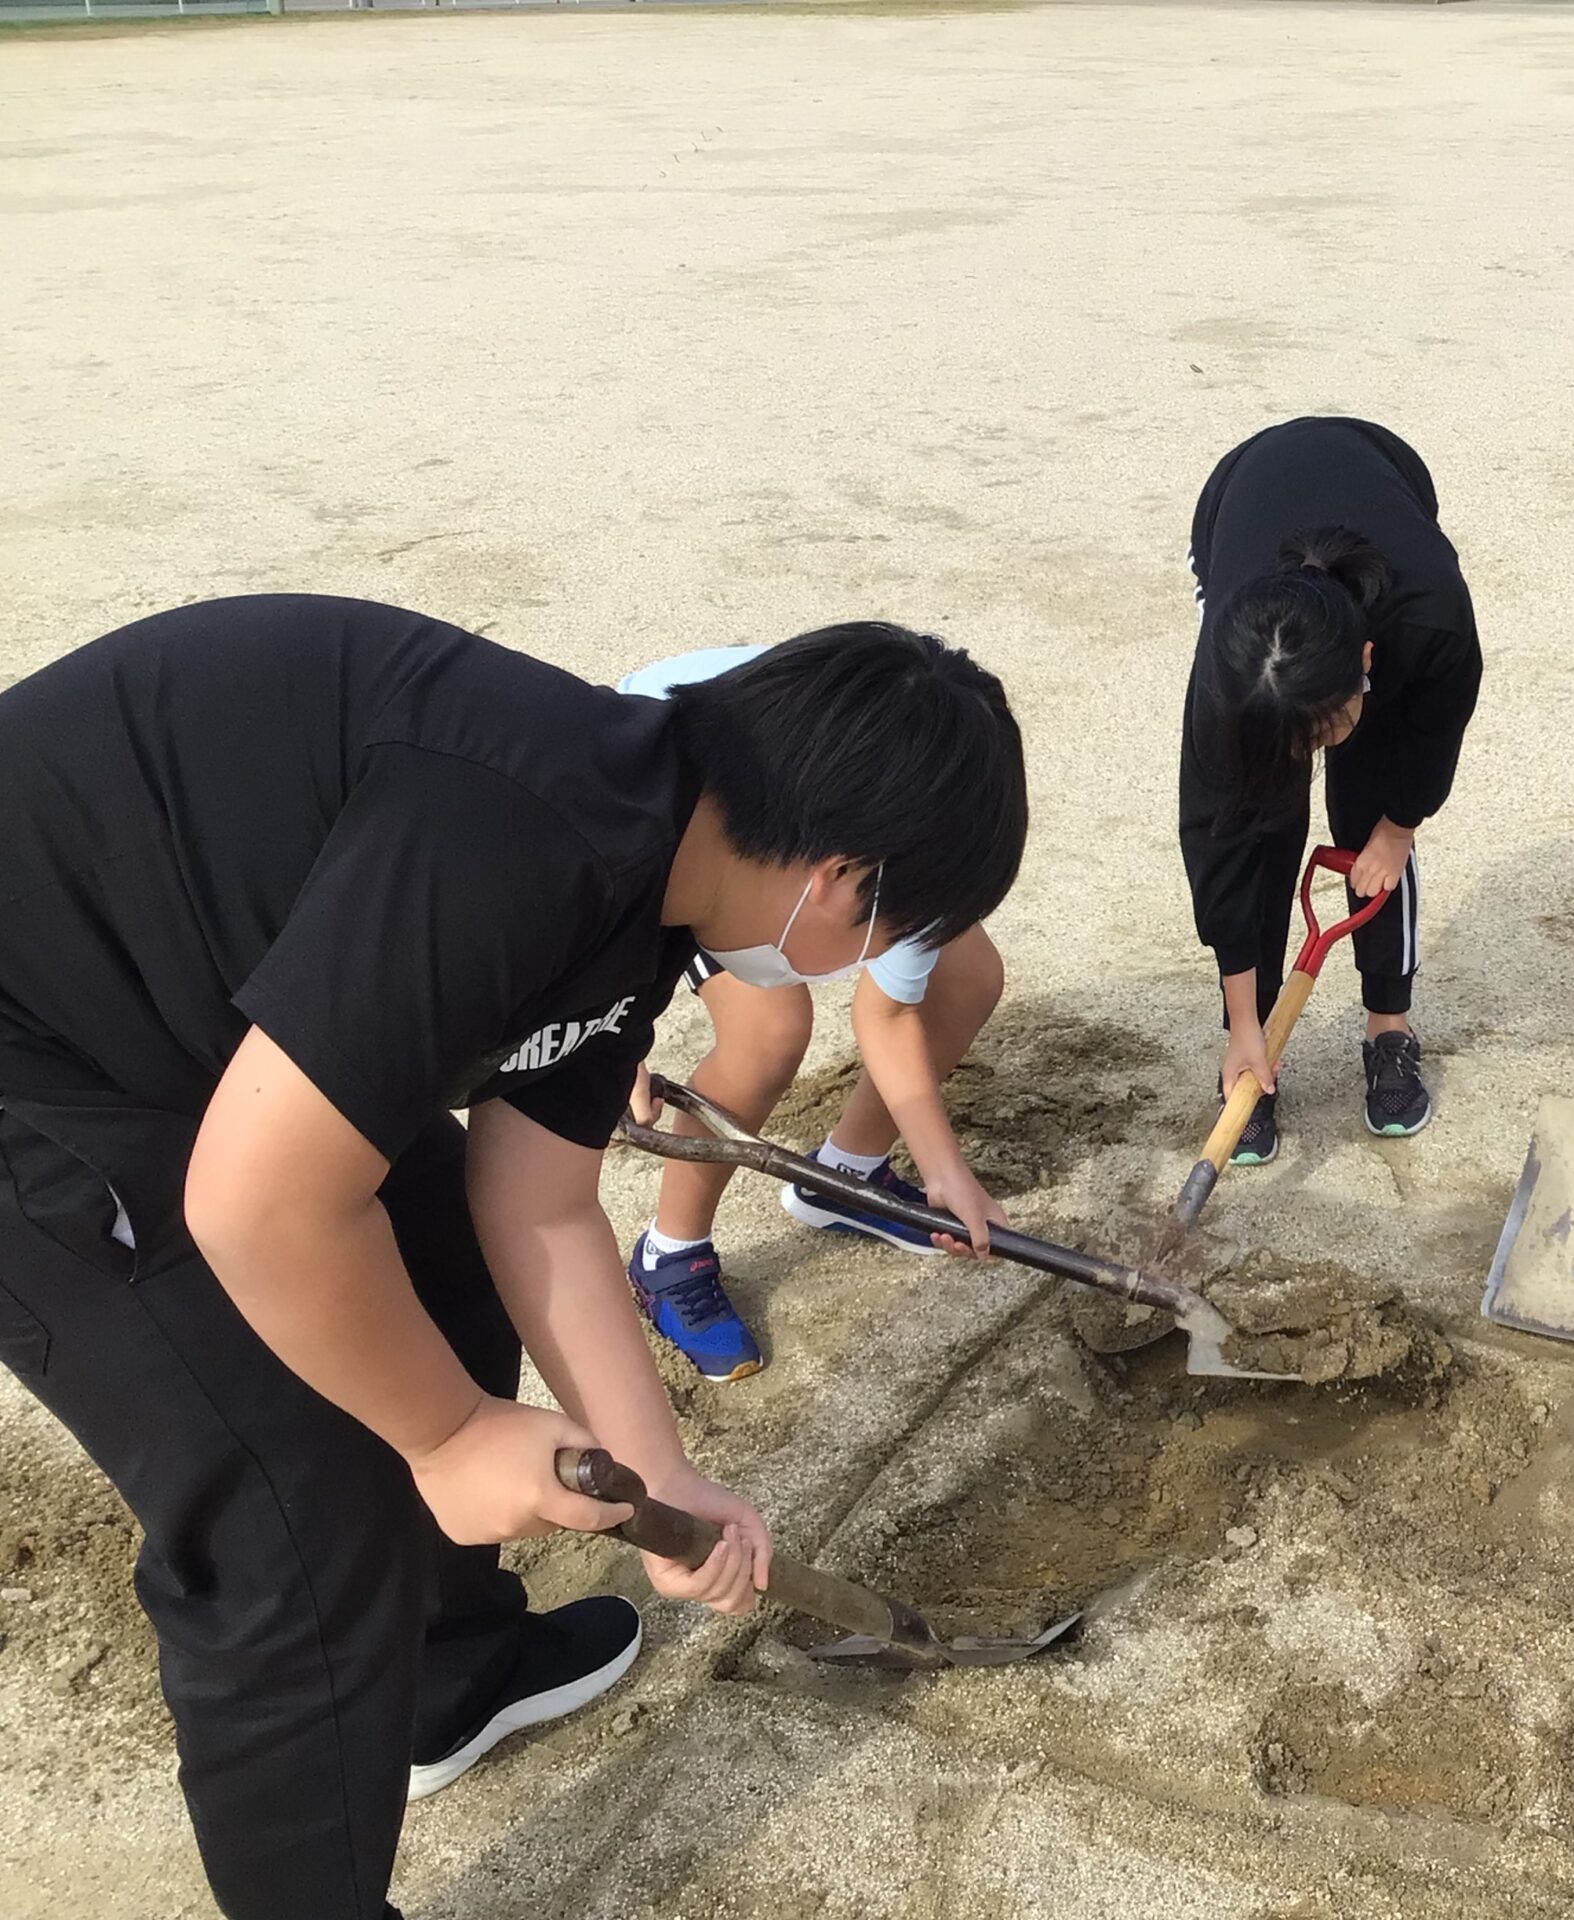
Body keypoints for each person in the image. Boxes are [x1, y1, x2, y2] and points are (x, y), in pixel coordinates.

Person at [0, 598, 1027, 1920]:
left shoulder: (648, 874)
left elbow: (534, 1200)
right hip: (40, 1059)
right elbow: (259, 1208)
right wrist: (444, 1437)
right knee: (297, 1500)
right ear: (836, 881)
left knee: (434, 1235)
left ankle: (446, 1671)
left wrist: (663, 1476)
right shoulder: (521, 838)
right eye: (888, 936)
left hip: (174, 1013)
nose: (865, 968)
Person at [614, 646, 1012, 1384]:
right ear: (845, 875)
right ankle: (670, 1254)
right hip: (703, 827)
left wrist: (941, 1169)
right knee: (770, 1031)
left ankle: (844, 1179)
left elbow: (888, 1014)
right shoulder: (671, 791)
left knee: (970, 973)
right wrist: (610, 1034)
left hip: (819, 830)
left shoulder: (926, 832)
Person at [1179, 416, 1483, 1159]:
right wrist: (1244, 1020)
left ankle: (1390, 1028)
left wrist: (1396, 827)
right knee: (1261, 818)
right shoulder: (1228, 681)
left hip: (1383, 467)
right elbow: (1219, 849)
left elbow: (1437, 724)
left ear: (1369, 659)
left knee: (1370, 795)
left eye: (1327, 725)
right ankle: (1248, 1052)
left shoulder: (1429, 618)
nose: (1311, 751)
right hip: (1239, 494)